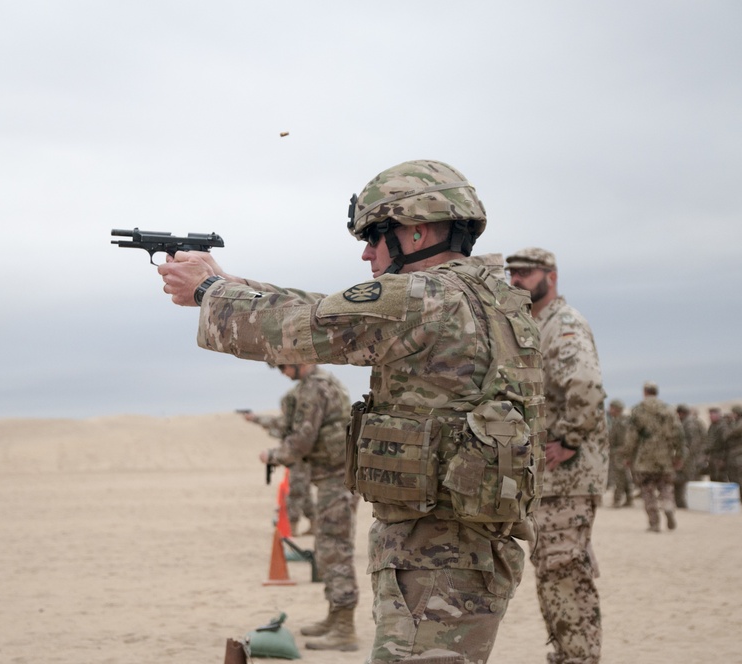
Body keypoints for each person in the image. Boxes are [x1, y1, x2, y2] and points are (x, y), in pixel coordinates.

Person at [158, 159, 546, 664]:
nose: (366, 253)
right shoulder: (492, 298)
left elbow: (297, 328)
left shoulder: (421, 297)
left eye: (374, 237)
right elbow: (335, 309)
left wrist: (210, 292)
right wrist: (230, 282)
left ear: (417, 231)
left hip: (436, 552)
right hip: (470, 544)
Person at [506, 247, 608, 664]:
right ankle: (568, 654)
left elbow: (584, 383)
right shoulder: (536, 324)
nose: (517, 280)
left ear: (551, 276)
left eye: (527, 273)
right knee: (553, 569)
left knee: (564, 570)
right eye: (512, 273)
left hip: (570, 475)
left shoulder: (563, 325)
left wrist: (567, 441)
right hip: (552, 478)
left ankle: (579, 657)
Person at [253, 362, 359, 650]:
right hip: (333, 478)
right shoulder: (321, 383)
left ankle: (345, 628)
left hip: (337, 479)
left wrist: (273, 455)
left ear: (300, 358)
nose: (284, 373)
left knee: (335, 551)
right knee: (327, 549)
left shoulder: (314, 387)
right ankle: (334, 617)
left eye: (284, 366)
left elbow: (302, 440)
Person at [241, 368, 317, 536]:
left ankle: (293, 528)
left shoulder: (299, 421)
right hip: (298, 457)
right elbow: (278, 424)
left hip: (300, 458)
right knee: (303, 493)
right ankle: (313, 523)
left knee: (296, 492)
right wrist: (255, 419)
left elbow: (281, 426)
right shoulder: (296, 419)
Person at [624, 382, 685, 532]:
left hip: (645, 458)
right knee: (666, 487)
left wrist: (628, 455)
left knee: (647, 489)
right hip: (665, 457)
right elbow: (679, 434)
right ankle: (668, 506)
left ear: (645, 392)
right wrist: (679, 456)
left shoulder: (638, 410)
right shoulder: (668, 410)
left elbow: (631, 436)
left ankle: (654, 523)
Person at [675, 404, 707, 508]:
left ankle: (688, 503)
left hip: (692, 457)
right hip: (692, 456)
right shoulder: (689, 422)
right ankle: (682, 502)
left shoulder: (690, 424)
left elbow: (693, 443)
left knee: (689, 479)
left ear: (681, 413)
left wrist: (685, 457)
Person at [606, 399, 634, 508]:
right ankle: (629, 499)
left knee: (620, 477)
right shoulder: (620, 420)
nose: (610, 410)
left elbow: (624, 440)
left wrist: (617, 451)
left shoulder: (621, 422)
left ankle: (617, 500)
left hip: (620, 453)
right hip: (620, 452)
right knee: (625, 476)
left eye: (611, 407)